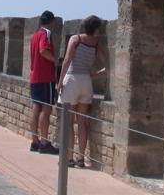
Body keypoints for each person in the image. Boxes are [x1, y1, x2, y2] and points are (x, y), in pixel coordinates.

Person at [57, 15, 107, 168]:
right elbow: (107, 66)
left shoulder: (76, 39)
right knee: (82, 122)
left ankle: (69, 158)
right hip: (86, 82)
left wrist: (60, 82)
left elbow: (67, 60)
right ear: (96, 29)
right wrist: (95, 74)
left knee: (69, 122)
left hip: (72, 80)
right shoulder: (95, 43)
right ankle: (81, 158)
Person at [28, 10, 59, 154]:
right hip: (45, 77)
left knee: (36, 108)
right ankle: (44, 143)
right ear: (52, 22)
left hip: (34, 76)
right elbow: (43, 50)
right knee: (46, 110)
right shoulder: (46, 33)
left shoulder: (35, 35)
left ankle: (35, 142)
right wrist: (56, 60)